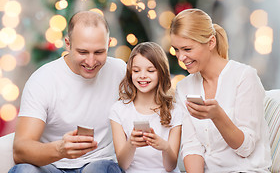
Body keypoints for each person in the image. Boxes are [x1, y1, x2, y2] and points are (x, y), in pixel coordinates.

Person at [9, 11, 126, 173]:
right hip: (52, 166)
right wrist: (60, 150)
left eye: (99, 52)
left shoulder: (120, 71)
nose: (91, 62)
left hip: (99, 163)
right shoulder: (43, 80)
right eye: (83, 52)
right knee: (24, 170)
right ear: (68, 44)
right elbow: (20, 150)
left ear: (109, 44)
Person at [170, 8, 271, 172]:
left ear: (211, 42)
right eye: (176, 49)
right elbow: (192, 147)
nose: (181, 58)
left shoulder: (244, 77)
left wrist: (217, 116)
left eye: (187, 49)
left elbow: (246, 148)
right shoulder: (184, 87)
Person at [109, 42, 183, 173]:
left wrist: (165, 147)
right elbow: (123, 164)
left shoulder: (175, 110)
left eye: (150, 70)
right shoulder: (119, 110)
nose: (142, 76)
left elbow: (170, 166)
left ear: (161, 72)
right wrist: (131, 143)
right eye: (136, 71)